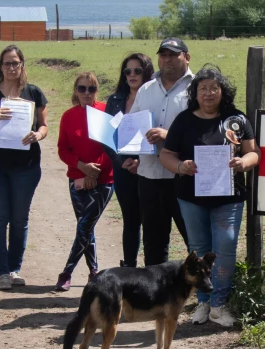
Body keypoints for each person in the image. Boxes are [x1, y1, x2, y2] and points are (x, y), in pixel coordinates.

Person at [160, 65, 259, 328]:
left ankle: (219, 305)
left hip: (229, 198)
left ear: (222, 91)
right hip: (191, 198)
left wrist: (243, 163)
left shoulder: (236, 119)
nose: (208, 93)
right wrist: (181, 167)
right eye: (202, 88)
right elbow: (166, 155)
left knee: (224, 249)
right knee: (199, 250)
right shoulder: (183, 120)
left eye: (214, 88)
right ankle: (203, 302)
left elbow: (253, 152)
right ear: (195, 93)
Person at [0, 45, 49, 290]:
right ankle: (2, 272)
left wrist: (38, 135)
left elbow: (45, 126)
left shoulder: (34, 93)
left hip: (25, 167)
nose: (12, 67)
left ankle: (15, 269)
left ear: (22, 65)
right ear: (0, 67)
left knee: (19, 220)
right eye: (7, 63)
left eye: (15, 63)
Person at [127, 38, 192, 265]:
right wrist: (132, 155)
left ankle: (206, 293)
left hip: (184, 176)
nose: (168, 59)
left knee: (194, 240)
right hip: (150, 176)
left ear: (186, 57)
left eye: (174, 54)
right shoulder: (145, 89)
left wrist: (169, 136)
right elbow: (134, 126)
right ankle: (155, 297)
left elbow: (204, 131)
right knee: (154, 243)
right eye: (163, 54)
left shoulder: (197, 88)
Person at [55, 72, 115, 291]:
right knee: (85, 227)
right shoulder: (68, 116)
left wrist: (94, 172)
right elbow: (63, 149)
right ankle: (94, 272)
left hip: (104, 178)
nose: (86, 93)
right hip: (77, 178)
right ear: (75, 91)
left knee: (84, 226)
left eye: (91, 89)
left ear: (96, 90)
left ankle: (67, 272)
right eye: (82, 88)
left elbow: (114, 146)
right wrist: (82, 167)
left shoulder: (106, 111)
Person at [105, 52, 155, 268]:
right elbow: (107, 137)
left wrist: (140, 162)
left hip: (150, 168)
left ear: (146, 72)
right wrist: (121, 161)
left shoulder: (155, 98)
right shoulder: (115, 100)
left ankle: (153, 268)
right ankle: (129, 268)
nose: (132, 75)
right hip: (123, 168)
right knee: (130, 221)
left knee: (152, 222)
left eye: (137, 70)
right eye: (128, 71)